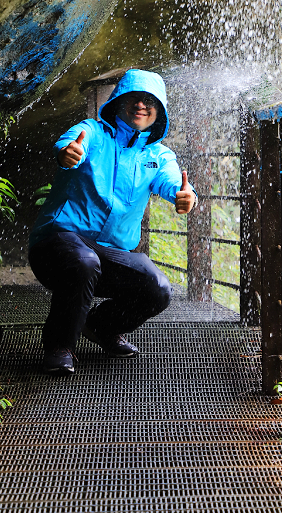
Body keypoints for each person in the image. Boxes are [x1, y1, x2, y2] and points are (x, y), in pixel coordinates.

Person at [28, 69, 196, 375]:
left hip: (106, 255)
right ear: (118, 101)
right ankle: (59, 347)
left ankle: (101, 327)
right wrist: (68, 153)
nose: (141, 105)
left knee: (157, 287)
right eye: (134, 98)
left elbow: (173, 182)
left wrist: (185, 195)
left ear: (159, 111)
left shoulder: (158, 155)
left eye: (149, 101)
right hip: (56, 247)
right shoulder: (92, 132)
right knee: (84, 260)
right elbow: (70, 145)